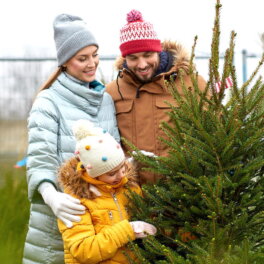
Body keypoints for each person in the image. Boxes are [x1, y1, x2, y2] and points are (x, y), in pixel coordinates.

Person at [23, 14, 120, 264]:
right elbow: (40, 157)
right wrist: (51, 196)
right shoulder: (48, 101)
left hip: (102, 220)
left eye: (95, 55)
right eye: (82, 58)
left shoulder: (106, 101)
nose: (92, 64)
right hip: (63, 214)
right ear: (65, 62)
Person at [106, 9, 207, 185]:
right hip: (132, 195)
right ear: (125, 58)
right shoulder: (113, 91)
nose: (142, 64)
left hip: (182, 195)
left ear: (158, 52)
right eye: (133, 58)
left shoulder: (192, 83)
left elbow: (213, 134)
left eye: (148, 55)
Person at [57, 119, 157, 264]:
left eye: (122, 167)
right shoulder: (76, 200)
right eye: (112, 174)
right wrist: (128, 230)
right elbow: (83, 251)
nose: (122, 175)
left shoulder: (129, 186)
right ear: (94, 174)